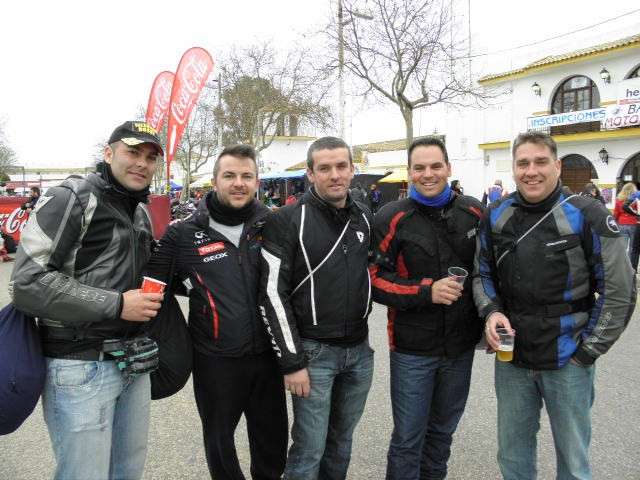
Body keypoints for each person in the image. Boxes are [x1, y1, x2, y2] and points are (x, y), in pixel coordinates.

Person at [473, 131, 635, 480]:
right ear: (514, 168)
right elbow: (481, 272)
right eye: (523, 163)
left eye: (541, 162)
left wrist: (588, 351)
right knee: (512, 457)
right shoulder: (496, 214)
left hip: (568, 357)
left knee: (574, 464)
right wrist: (492, 311)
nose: (531, 171)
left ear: (557, 166)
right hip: (512, 357)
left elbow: (619, 291)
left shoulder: (589, 214)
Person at [9, 121, 165, 479]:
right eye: (133, 152)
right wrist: (117, 304)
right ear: (108, 153)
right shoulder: (72, 196)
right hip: (78, 365)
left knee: (127, 473)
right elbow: (26, 284)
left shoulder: (139, 210)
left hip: (132, 362)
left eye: (150, 157)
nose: (142, 163)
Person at [145, 144, 287, 480]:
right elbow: (152, 286)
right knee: (220, 444)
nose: (238, 183)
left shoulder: (274, 224)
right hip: (215, 360)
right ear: (215, 181)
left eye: (246, 176)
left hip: (269, 357)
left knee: (272, 445)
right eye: (229, 175)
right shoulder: (182, 233)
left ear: (257, 182)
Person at [259, 136, 374, 480]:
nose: (334, 175)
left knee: (341, 443)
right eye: (324, 168)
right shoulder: (287, 219)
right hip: (313, 353)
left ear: (352, 169)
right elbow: (271, 294)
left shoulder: (364, 216)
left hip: (359, 351)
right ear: (310, 173)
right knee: (309, 449)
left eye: (341, 166)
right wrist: (292, 361)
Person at [370, 137, 484, 480]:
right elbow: (373, 280)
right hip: (412, 349)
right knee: (408, 440)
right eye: (419, 168)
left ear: (448, 168)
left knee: (441, 436)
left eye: (435, 166)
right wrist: (426, 291)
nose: (428, 174)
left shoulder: (474, 211)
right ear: (409, 172)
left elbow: (490, 271)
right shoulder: (391, 216)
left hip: (460, 348)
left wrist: (493, 317)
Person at [613, 182, 638, 260]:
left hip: (622, 224)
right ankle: (630, 263)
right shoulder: (636, 199)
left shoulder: (619, 199)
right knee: (632, 246)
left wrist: (615, 222)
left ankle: (622, 263)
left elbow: (616, 213)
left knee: (623, 246)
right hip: (633, 223)